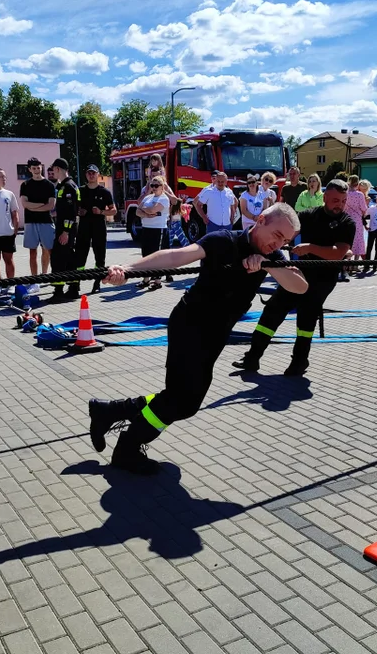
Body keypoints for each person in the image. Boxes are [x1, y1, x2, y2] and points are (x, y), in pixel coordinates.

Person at [88, 203, 306, 474]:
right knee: (183, 401)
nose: (278, 243)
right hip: (189, 325)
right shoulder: (224, 240)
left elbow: (300, 286)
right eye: (277, 235)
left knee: (181, 399)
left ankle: (110, 412)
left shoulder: (271, 256)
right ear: (260, 220)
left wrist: (268, 265)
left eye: (285, 240)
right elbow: (174, 257)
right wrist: (127, 268)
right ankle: (127, 447)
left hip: (215, 335)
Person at [233, 180, 354, 376]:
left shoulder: (347, 223)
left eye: (342, 200)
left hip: (323, 279)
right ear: (324, 198)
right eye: (334, 200)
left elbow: (339, 253)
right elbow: (287, 230)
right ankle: (252, 357)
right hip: (299, 272)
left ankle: (299, 361)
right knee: (273, 310)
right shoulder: (308, 215)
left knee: (306, 318)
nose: (339, 204)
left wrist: (309, 248)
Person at [77, 165, 117, 294]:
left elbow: (114, 210)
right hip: (83, 227)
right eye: (89, 173)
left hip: (99, 228)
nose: (91, 175)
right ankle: (76, 283)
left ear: (98, 174)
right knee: (80, 255)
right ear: (86, 175)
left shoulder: (104, 192)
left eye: (93, 173)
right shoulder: (80, 190)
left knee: (99, 257)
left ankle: (97, 282)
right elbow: (73, 208)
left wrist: (101, 211)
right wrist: (79, 212)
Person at [50, 157, 81, 302]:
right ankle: (73, 289)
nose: (52, 172)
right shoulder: (65, 185)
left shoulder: (68, 187)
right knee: (69, 258)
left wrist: (66, 232)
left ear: (57, 169)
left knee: (58, 258)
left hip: (65, 229)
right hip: (65, 228)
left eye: (53, 170)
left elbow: (71, 212)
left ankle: (58, 292)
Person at [20, 158, 57, 276]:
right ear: (30, 169)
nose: (36, 170)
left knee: (49, 250)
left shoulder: (49, 185)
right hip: (30, 222)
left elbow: (51, 205)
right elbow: (25, 204)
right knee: (32, 252)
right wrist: (42, 205)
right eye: (34, 168)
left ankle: (48, 274)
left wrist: (33, 207)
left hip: (46, 221)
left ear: (41, 167)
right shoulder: (25, 185)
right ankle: (34, 279)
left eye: (38, 167)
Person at [136, 178, 170, 291]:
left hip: (158, 229)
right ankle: (146, 279)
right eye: (152, 185)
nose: (154, 188)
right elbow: (137, 211)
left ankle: (157, 281)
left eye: (156, 185)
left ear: (162, 186)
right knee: (146, 255)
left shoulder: (164, 198)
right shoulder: (147, 198)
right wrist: (146, 213)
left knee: (157, 256)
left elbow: (152, 210)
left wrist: (144, 210)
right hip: (146, 228)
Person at [345, 176, 368, 268]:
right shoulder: (359, 195)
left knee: (348, 241)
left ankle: (348, 264)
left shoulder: (345, 194)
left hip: (346, 220)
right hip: (357, 220)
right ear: (357, 184)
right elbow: (364, 209)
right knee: (358, 241)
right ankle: (355, 265)